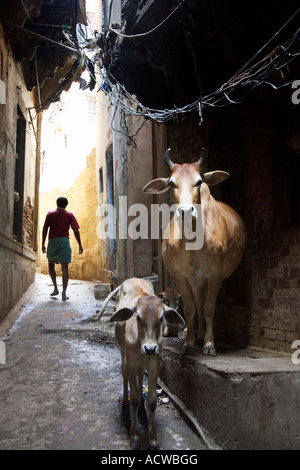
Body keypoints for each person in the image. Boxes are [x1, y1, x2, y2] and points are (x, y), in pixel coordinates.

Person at [42, 197, 83, 301]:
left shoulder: (50, 214)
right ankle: (64, 293)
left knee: (51, 265)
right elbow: (76, 230)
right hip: (64, 242)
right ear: (66, 204)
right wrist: (80, 245)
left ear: (57, 203)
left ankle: (55, 288)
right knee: (65, 268)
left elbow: (45, 229)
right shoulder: (69, 215)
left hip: (53, 242)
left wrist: (43, 243)